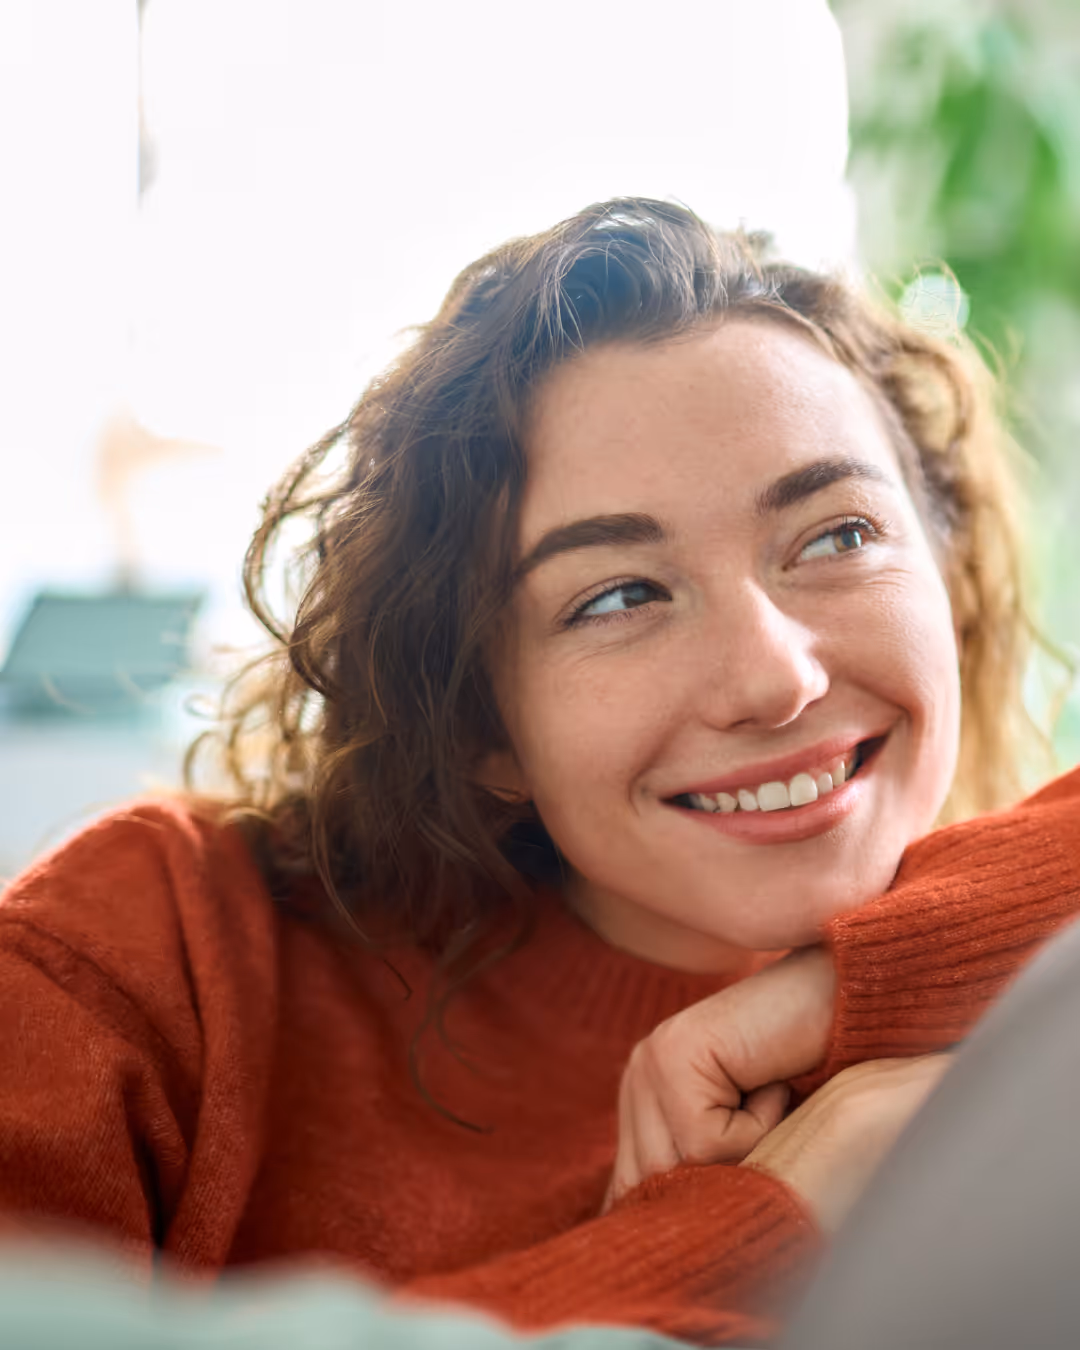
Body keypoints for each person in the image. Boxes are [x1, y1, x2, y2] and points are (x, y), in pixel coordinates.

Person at [1, 197, 1078, 1347]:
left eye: (837, 535)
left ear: (946, 576)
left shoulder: (1029, 988)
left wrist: (869, 978)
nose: (775, 679)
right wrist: (773, 1212)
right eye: (619, 596)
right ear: (482, 723)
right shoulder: (158, 958)